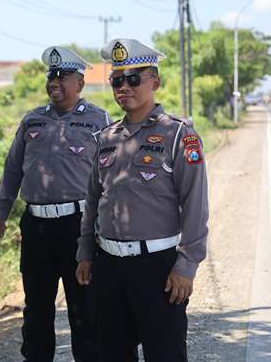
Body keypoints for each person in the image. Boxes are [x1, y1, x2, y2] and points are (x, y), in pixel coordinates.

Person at [75, 39, 209, 362]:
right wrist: (85, 250)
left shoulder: (179, 135)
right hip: (108, 265)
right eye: (117, 80)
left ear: (155, 81)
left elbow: (195, 205)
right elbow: (94, 199)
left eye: (134, 78)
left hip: (158, 270)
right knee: (112, 352)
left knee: (165, 353)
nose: (124, 87)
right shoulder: (105, 138)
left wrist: (186, 265)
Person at [0, 46, 110, 362]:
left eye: (63, 76)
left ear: (80, 83)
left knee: (84, 304)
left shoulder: (99, 121)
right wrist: (0, 211)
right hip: (36, 226)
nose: (54, 81)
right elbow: (13, 167)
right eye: (51, 75)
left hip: (79, 225)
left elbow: (111, 175)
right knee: (37, 306)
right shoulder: (33, 119)